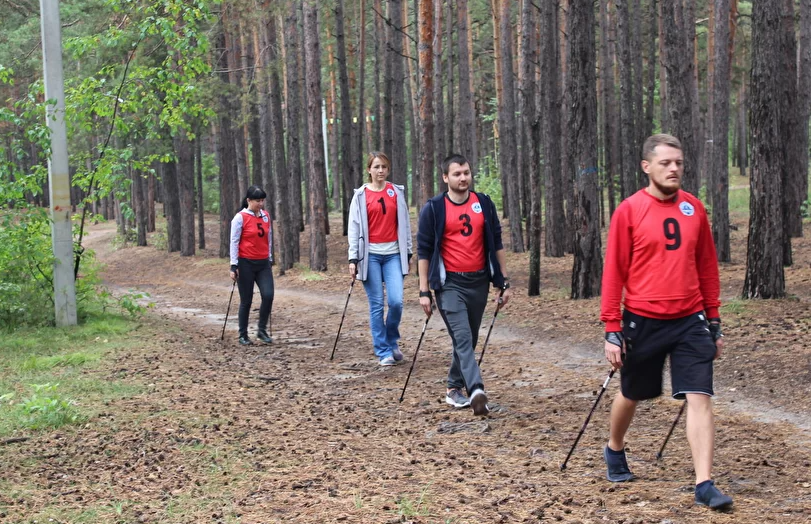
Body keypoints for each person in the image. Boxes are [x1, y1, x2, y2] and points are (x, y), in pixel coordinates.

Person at [600, 134, 732, 510]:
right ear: (647, 167)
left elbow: (706, 266)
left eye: (679, 162)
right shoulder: (629, 210)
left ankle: (704, 483)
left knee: (700, 396)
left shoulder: (694, 208)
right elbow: (614, 273)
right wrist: (612, 327)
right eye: (665, 163)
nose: (674, 169)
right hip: (643, 320)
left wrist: (715, 320)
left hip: (690, 320)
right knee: (633, 393)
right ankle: (615, 447)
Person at [416, 153, 511, 416]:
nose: (463, 178)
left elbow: (497, 242)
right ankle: (476, 389)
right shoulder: (434, 208)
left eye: (466, 172)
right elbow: (424, 251)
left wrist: (503, 280)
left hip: (479, 280)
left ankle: (453, 388)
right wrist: (424, 290)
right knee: (463, 337)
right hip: (449, 285)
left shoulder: (484, 203)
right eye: (457, 174)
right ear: (446, 177)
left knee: (470, 337)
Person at [347, 152, 413, 366]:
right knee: (376, 304)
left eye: (384, 167)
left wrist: (408, 252)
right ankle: (383, 350)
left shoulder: (396, 192)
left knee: (396, 302)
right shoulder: (361, 195)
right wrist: (353, 258)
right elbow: (354, 227)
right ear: (369, 170)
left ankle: (392, 340)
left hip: (393, 253)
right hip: (370, 256)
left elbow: (405, 224)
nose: (381, 171)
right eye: (376, 167)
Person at [230, 185, 274, 346]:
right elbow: (234, 242)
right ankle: (243, 334)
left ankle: (261, 330)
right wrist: (233, 265)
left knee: (268, 295)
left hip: (263, 263)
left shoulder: (266, 216)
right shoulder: (240, 217)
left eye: (262, 200)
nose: (261, 204)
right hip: (245, 263)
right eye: (257, 201)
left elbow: (268, 238)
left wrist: (269, 257)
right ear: (249, 200)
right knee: (246, 300)